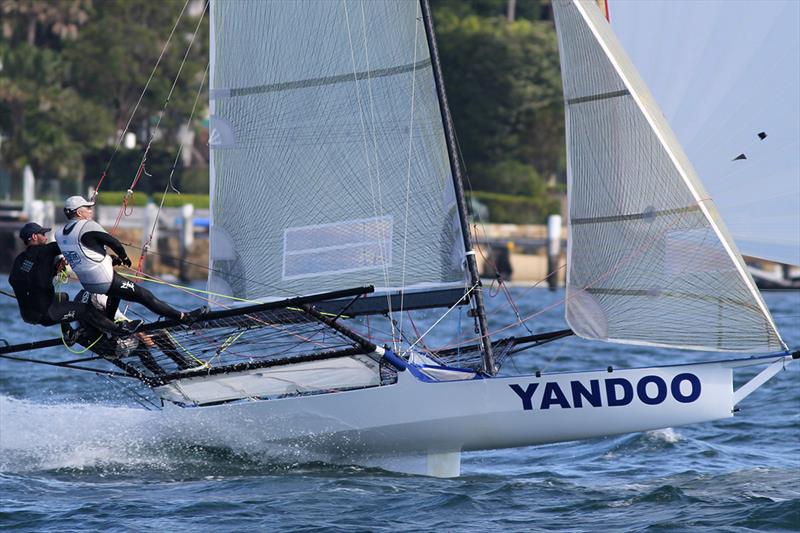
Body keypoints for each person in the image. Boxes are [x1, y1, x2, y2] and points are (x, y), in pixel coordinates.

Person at [55, 196, 206, 322]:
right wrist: (124, 257)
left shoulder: (60, 234)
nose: (90, 210)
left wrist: (109, 259)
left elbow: (86, 253)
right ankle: (183, 317)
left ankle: (110, 322)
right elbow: (114, 243)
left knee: (117, 293)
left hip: (88, 283)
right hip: (104, 280)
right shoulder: (87, 226)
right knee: (144, 295)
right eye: (87, 208)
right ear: (79, 213)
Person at [8, 222, 141, 337]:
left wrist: (53, 272)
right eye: (42, 234)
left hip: (28, 316)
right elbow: (75, 246)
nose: (46, 237)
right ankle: (119, 330)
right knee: (86, 311)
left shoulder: (20, 259)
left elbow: (18, 280)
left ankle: (68, 334)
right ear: (34, 237)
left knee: (63, 297)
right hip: (46, 314)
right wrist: (107, 258)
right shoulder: (47, 250)